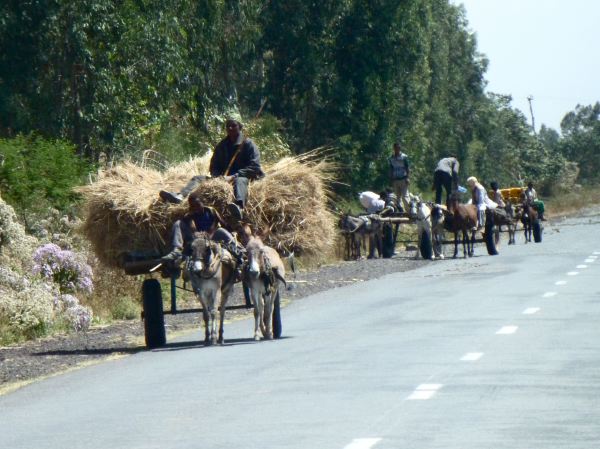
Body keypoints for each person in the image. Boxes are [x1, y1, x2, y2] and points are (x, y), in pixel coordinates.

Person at [160, 115, 265, 221]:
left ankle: (238, 207)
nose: (230, 128)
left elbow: (254, 167)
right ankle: (180, 196)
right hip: (223, 178)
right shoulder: (222, 146)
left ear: (240, 127)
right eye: (228, 126)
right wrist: (218, 177)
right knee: (198, 178)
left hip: (242, 177)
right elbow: (214, 165)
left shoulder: (248, 144)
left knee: (239, 181)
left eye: (233, 126)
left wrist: (233, 176)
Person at [161, 192, 242, 263]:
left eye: (198, 205)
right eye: (193, 206)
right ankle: (176, 250)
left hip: (211, 235)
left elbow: (218, 222)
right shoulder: (190, 215)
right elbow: (193, 229)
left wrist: (232, 228)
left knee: (222, 231)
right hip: (197, 238)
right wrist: (199, 236)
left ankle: (238, 250)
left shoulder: (210, 211)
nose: (196, 208)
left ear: (203, 203)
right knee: (178, 223)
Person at [388, 143, 410, 213]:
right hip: (395, 180)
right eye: (395, 148)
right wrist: (391, 178)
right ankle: (400, 211)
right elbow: (391, 168)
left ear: (400, 148)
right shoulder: (391, 158)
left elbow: (407, 168)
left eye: (398, 148)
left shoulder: (404, 157)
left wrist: (407, 177)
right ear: (393, 149)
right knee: (397, 198)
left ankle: (409, 211)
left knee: (405, 197)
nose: (396, 150)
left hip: (403, 179)